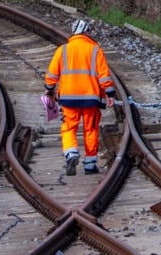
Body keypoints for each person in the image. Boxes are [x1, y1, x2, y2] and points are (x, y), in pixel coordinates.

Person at [45, 19, 116, 176]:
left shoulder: (63, 50)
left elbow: (52, 74)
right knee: (91, 129)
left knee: (69, 127)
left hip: (68, 98)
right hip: (91, 98)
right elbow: (104, 76)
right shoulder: (95, 50)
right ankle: (90, 165)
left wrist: (49, 90)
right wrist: (110, 93)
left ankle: (71, 153)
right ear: (86, 32)